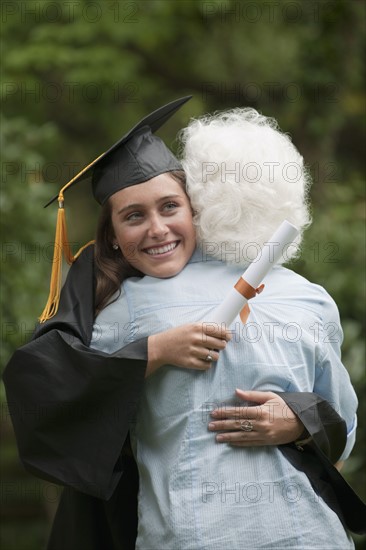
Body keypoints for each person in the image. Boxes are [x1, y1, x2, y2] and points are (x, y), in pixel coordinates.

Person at [3, 98, 364, 550]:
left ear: (197, 208)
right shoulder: (122, 308)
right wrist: (154, 351)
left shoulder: (307, 299)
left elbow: (343, 431)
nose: (157, 229)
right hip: (193, 535)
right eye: (134, 215)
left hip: (310, 535)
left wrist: (299, 421)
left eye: (170, 206)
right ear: (111, 234)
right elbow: (55, 394)